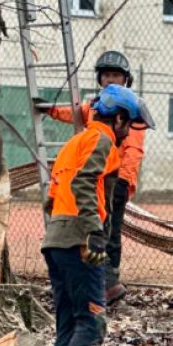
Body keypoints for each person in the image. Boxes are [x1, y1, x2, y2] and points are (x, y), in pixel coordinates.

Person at [42, 84, 147, 346]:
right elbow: (85, 182)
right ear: (118, 118)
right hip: (80, 240)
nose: (128, 131)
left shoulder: (75, 142)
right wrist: (93, 233)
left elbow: (52, 193)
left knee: (68, 319)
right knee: (92, 319)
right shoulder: (102, 141)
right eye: (128, 124)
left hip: (56, 238)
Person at [45, 51, 154, 305]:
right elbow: (75, 113)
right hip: (95, 176)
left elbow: (134, 149)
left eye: (116, 75)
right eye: (106, 75)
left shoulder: (129, 110)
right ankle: (94, 279)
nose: (111, 80)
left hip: (116, 178)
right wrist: (49, 109)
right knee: (94, 225)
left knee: (111, 231)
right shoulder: (96, 106)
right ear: (99, 78)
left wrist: (124, 180)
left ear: (126, 79)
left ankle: (109, 281)